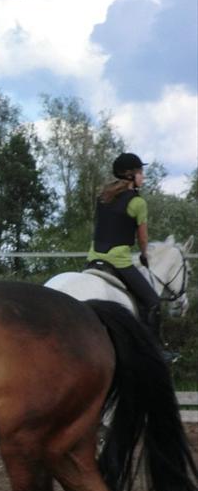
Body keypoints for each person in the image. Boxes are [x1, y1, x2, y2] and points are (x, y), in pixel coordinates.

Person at [87, 152, 176, 361]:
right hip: (119, 261)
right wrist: (145, 255)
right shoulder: (138, 202)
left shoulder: (102, 197)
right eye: (140, 173)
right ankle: (155, 351)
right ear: (130, 176)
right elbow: (143, 239)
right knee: (152, 301)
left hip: (94, 257)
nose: (142, 177)